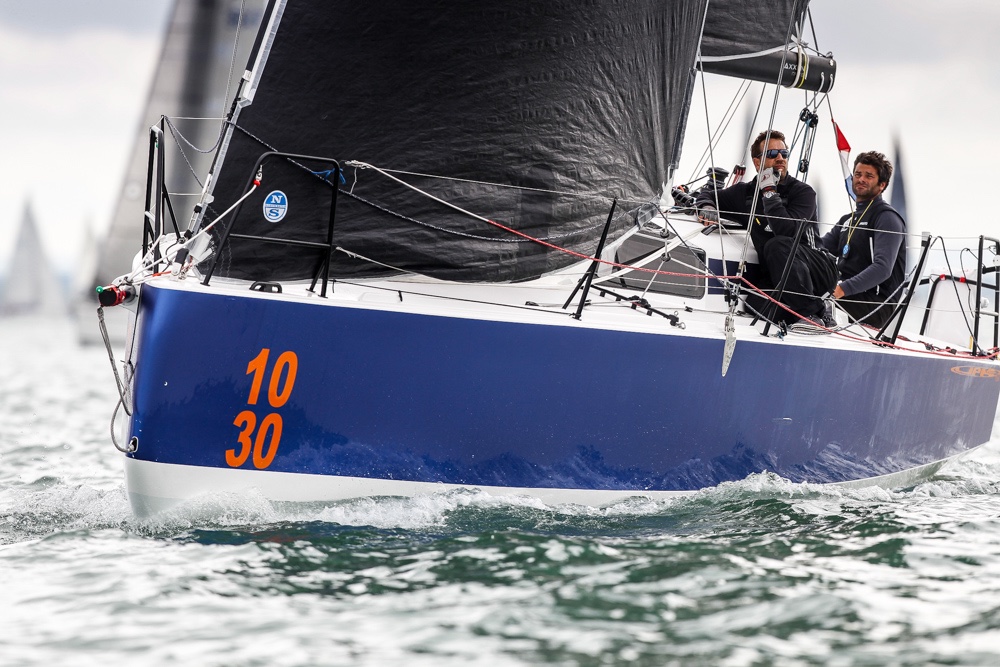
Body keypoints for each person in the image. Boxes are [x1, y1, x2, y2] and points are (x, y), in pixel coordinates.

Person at [695, 130, 837, 326]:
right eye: (772, 154)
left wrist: (769, 192)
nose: (780, 158)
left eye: (784, 154)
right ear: (757, 162)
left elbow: (786, 231)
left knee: (777, 244)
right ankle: (818, 310)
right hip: (778, 272)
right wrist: (707, 207)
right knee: (755, 303)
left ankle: (810, 313)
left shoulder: (803, 192)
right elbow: (709, 195)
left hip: (817, 269)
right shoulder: (745, 194)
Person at [820, 151, 906, 329]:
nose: (861, 179)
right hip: (846, 296)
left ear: (882, 185)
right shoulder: (847, 220)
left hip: (875, 305)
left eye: (869, 176)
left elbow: (883, 268)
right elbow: (817, 247)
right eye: (858, 174)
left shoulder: (886, 218)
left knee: (811, 302)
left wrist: (841, 290)